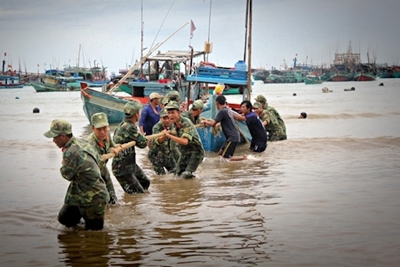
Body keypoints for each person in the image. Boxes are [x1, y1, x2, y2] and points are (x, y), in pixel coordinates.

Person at [44, 119, 109, 230]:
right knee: (65, 219)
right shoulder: (82, 142)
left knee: (95, 235)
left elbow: (67, 175)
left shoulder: (71, 152)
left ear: (63, 136)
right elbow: (100, 162)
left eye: (55, 137)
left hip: (94, 198)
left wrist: (63, 163)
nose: (53, 140)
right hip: (79, 193)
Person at [112, 101, 150, 193]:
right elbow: (143, 144)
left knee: (145, 182)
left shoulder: (123, 124)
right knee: (138, 193)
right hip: (122, 168)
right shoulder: (129, 127)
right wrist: (144, 139)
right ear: (136, 114)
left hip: (129, 164)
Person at [163, 101, 205, 179]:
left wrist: (169, 135)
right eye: (169, 113)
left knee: (185, 175)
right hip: (185, 153)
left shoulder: (186, 122)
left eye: (173, 112)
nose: (170, 115)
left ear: (179, 112)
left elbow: (184, 141)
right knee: (177, 174)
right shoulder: (173, 124)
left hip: (196, 153)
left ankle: (194, 186)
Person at [87, 112, 121, 204]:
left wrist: (116, 148)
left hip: (103, 169)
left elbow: (113, 145)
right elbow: (95, 162)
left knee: (113, 198)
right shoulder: (90, 143)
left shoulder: (107, 134)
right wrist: (111, 151)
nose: (102, 132)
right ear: (93, 128)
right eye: (99, 129)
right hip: (93, 173)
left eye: (104, 128)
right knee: (99, 201)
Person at [201, 95, 247, 161]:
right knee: (220, 154)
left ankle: (244, 158)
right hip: (231, 137)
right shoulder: (228, 110)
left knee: (226, 158)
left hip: (232, 137)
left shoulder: (222, 111)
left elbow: (213, 124)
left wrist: (205, 121)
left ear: (217, 103)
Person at [148, 109, 180, 175]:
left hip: (167, 154)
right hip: (156, 156)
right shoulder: (157, 127)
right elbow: (158, 140)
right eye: (164, 118)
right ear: (161, 118)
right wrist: (166, 135)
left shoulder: (172, 126)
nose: (167, 120)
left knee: (176, 173)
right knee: (161, 177)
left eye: (168, 118)